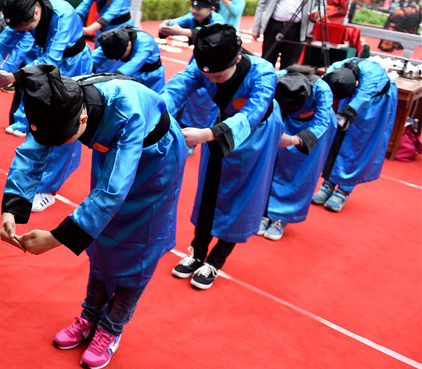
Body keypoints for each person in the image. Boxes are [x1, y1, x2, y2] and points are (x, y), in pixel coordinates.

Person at [0, 64, 186, 369]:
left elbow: (112, 191)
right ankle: (90, 314)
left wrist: (57, 238)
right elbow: (31, 153)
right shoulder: (57, 101)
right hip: (111, 150)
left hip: (156, 161)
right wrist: (12, 207)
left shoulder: (126, 111)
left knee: (139, 247)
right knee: (102, 237)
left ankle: (111, 328)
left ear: (82, 118)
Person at [162, 24, 282, 290]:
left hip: (257, 132)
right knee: (209, 190)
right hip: (219, 126)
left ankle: (216, 260)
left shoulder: (262, 73)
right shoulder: (202, 67)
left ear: (238, 58)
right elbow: (176, 89)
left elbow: (252, 114)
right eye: (209, 77)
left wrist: (208, 134)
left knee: (242, 196)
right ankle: (197, 250)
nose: (212, 80)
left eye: (218, 76)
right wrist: (157, 115)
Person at [0, 0, 91, 211]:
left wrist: (13, 76)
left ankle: (48, 188)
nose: (22, 31)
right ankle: (35, 174)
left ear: (36, 11)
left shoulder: (63, 14)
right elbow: (4, 40)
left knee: (67, 123)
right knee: (39, 121)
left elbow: (52, 59)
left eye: (25, 27)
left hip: (72, 65)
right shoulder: (22, 12)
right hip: (41, 66)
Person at [258, 66, 336, 240]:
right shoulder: (277, 78)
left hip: (314, 129)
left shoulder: (321, 89)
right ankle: (265, 211)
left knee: (302, 172)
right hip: (284, 118)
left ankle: (283, 218)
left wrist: (295, 140)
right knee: (273, 165)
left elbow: (322, 121)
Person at [312, 58, 398, 212]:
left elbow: (362, 97)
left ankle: (344, 189)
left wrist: (343, 117)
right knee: (337, 137)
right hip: (349, 95)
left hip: (376, 103)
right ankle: (328, 183)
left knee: (359, 143)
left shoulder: (371, 75)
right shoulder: (335, 68)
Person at [158, 0, 225, 137]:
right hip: (197, 60)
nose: (195, 10)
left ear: (212, 8)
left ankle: (197, 134)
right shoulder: (192, 17)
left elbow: (208, 33)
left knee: (202, 98)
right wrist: (165, 27)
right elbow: (173, 23)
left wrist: (180, 31)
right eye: (193, 6)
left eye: (199, 7)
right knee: (182, 89)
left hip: (216, 64)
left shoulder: (218, 21)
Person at [92, 26, 165, 93]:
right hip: (133, 74)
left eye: (120, 57)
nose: (120, 59)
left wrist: (107, 80)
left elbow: (135, 63)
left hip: (152, 77)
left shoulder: (145, 42)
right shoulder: (115, 38)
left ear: (128, 45)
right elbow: (94, 57)